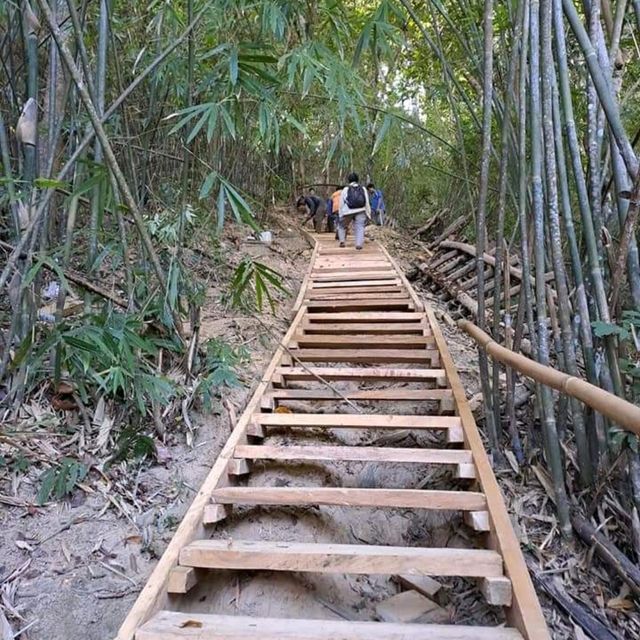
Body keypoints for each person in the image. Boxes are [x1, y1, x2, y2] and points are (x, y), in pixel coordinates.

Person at [338, 172, 371, 249]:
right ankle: (359, 244)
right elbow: (367, 202)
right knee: (360, 226)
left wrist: (341, 214)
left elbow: (341, 203)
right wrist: (368, 214)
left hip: (348, 210)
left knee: (342, 225)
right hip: (361, 210)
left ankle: (342, 241)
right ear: (357, 180)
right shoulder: (363, 188)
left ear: (349, 180)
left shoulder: (345, 189)